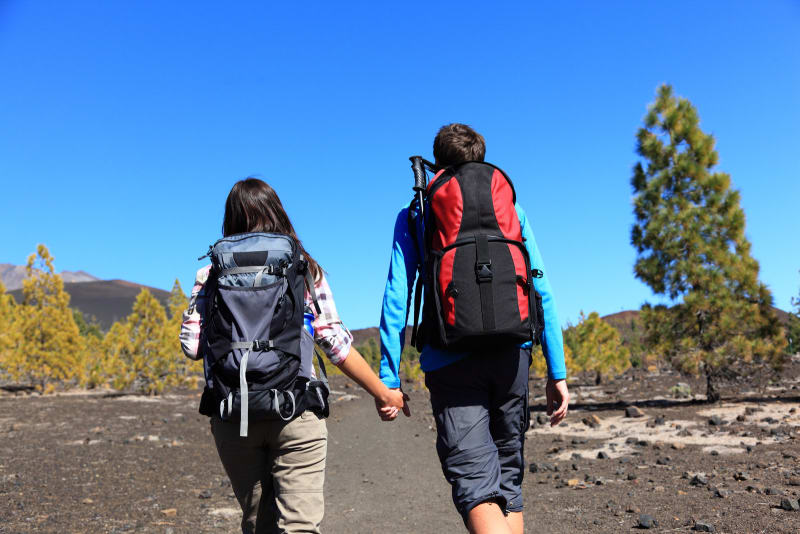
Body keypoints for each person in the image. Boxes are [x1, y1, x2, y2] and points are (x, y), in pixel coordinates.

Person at [181, 178, 408, 534]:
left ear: (230, 218)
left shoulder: (210, 273)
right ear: (277, 214)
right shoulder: (302, 267)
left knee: (260, 526)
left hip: (233, 413)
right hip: (296, 409)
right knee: (299, 527)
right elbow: (335, 343)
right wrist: (383, 393)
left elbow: (192, 347)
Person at [378, 124, 570, 534]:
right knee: (508, 478)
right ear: (482, 160)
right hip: (512, 354)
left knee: (474, 482)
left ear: (436, 165)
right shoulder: (510, 209)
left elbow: (397, 297)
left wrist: (388, 378)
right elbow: (542, 287)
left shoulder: (418, 211)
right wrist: (558, 372)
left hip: (451, 358)